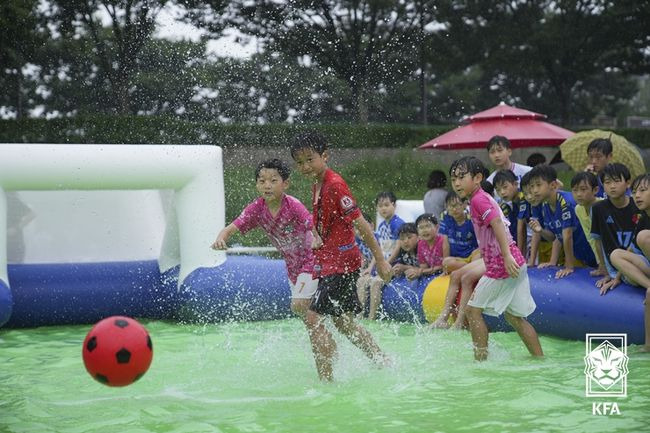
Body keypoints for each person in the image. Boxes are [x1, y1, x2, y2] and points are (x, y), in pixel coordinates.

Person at [290, 131, 392, 381]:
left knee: (312, 316)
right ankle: (382, 361)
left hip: (342, 264)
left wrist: (380, 259)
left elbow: (361, 223)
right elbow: (328, 222)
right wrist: (316, 237)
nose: (304, 166)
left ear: (325, 155)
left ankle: (326, 382)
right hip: (330, 261)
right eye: (299, 162)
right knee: (343, 323)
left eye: (310, 159)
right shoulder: (318, 184)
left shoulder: (334, 184)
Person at [450, 156, 543, 361]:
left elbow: (497, 224)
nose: (456, 183)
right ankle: (540, 359)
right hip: (513, 261)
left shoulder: (478, 199)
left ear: (477, 178)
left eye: (461, 177)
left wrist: (507, 256)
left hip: (503, 265)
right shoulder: (480, 197)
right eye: (453, 178)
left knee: (472, 311)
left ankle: (480, 363)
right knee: (515, 318)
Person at [211, 158, 320, 324]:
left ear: (286, 184)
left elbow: (313, 224)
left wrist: (317, 238)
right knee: (307, 319)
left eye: (273, 181)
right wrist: (221, 238)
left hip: (312, 261)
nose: (267, 185)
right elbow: (230, 228)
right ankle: (324, 341)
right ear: (257, 184)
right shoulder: (256, 209)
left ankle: (324, 314)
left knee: (298, 305)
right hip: (292, 267)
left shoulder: (293, 205)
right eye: (262, 181)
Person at [527, 164, 597, 278]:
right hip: (581, 254)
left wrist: (569, 266)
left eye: (538, 185)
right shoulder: (545, 205)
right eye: (532, 186)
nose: (534, 190)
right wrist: (541, 231)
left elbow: (567, 236)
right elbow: (554, 237)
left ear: (553, 185)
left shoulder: (566, 203)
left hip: (593, 252)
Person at [609, 173, 650, 352]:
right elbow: (631, 250)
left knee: (644, 237)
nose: (637, 196)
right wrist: (617, 276)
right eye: (634, 192)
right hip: (647, 265)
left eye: (643, 190)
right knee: (616, 254)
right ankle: (648, 345)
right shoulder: (642, 219)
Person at [590, 163, 639, 293]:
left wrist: (618, 276)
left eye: (617, 181)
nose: (612, 186)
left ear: (628, 183)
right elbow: (597, 241)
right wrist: (605, 271)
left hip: (637, 263)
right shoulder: (598, 209)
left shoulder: (638, 206)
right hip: (613, 267)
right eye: (607, 182)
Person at [357, 191, 404, 320]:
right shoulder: (382, 225)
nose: (383, 208)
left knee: (376, 283)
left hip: (394, 265)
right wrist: (370, 268)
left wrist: (386, 262)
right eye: (380, 206)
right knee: (362, 281)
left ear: (394, 205)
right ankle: (360, 315)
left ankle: (372, 316)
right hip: (383, 264)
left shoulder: (397, 224)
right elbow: (378, 251)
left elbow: (398, 247)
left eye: (386, 205)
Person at [570, 171, 607, 277]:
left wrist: (606, 267)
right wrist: (601, 264)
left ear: (595, 190)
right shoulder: (578, 209)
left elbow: (609, 240)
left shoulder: (603, 207)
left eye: (583, 189)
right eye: (575, 190)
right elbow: (591, 238)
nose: (578, 194)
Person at [439, 191, 479, 273]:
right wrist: (444, 267)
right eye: (451, 206)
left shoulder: (472, 218)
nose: (454, 209)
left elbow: (481, 240)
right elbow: (445, 243)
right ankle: (471, 269)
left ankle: (469, 269)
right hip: (457, 260)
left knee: (479, 253)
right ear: (446, 206)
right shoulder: (445, 217)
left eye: (457, 205)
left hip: (473, 255)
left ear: (464, 204)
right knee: (446, 262)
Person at [493, 170, 522, 243]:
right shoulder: (509, 205)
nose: (502, 192)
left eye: (505, 187)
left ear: (515, 184)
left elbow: (522, 230)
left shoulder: (524, 199)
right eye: (498, 190)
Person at [413, 214, 444, 278]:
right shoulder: (421, 244)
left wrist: (424, 271)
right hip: (430, 275)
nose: (424, 230)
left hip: (445, 273)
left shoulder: (443, 241)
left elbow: (446, 265)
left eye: (428, 226)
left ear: (437, 227)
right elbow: (423, 266)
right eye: (421, 228)